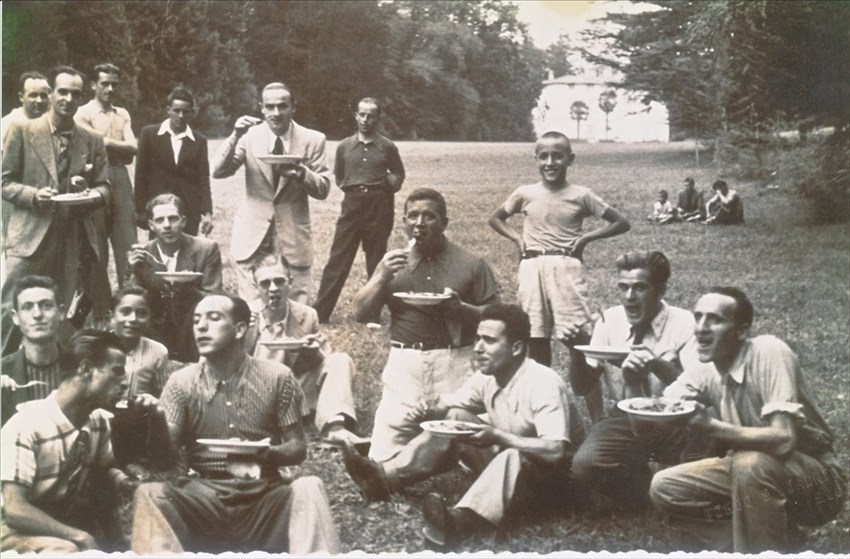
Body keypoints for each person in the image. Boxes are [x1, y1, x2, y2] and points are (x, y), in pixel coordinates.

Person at [341, 304, 585, 549]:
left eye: (489, 341)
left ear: (517, 348)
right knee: (456, 417)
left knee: (512, 454)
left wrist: (498, 436)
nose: (478, 348)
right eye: (477, 338)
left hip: (558, 485)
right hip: (513, 471)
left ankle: (459, 522)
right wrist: (430, 409)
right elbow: (450, 405)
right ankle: (383, 479)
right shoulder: (489, 377)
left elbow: (556, 451)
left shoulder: (543, 383)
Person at [129, 294, 341, 554]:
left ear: (240, 329)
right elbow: (165, 460)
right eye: (196, 320)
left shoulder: (277, 376)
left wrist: (266, 454)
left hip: (265, 496)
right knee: (150, 493)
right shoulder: (180, 383)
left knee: (309, 486)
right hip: (204, 498)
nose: (201, 327)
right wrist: (154, 422)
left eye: (213, 318)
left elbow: (297, 448)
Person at [649, 287, 847, 553]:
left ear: (741, 331)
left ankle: (760, 548)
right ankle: (771, 541)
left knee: (749, 464)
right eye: (698, 317)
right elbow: (657, 416)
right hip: (753, 473)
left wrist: (711, 427)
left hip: (818, 481)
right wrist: (634, 380)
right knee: (666, 486)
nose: (701, 328)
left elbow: (784, 440)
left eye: (715, 320)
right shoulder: (705, 366)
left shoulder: (769, 351)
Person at [352, 188, 500, 463]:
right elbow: (360, 313)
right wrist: (381, 276)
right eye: (412, 216)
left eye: (429, 216)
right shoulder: (392, 265)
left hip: (455, 364)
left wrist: (462, 310)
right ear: (404, 222)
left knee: (480, 449)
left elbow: (497, 319)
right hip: (405, 366)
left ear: (444, 222)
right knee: (380, 460)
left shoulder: (471, 263)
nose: (419, 223)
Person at [566, 251, 698, 507]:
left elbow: (696, 388)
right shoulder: (609, 321)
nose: (629, 297)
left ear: (660, 290)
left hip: (675, 418)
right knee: (584, 466)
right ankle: (647, 491)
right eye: (623, 287)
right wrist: (575, 353)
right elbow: (582, 386)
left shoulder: (685, 323)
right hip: (625, 416)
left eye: (640, 287)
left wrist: (656, 364)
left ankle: (668, 483)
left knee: (702, 455)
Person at [489, 131, 630, 367]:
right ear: (535, 159)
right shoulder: (525, 193)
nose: (550, 162)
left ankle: (588, 384)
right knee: (535, 337)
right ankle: (543, 388)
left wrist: (585, 239)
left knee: (577, 336)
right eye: (543, 156)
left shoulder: (581, 195)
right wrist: (517, 239)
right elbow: (495, 218)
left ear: (570, 159)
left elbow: (621, 222)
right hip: (532, 266)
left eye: (557, 156)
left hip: (565, 266)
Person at [1, 329, 148, 553]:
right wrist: (79, 536)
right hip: (10, 529)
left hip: (56, 526)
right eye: (117, 371)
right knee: (66, 549)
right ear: (86, 369)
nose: (125, 382)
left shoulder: (98, 422)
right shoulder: (25, 425)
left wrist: (125, 483)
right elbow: (14, 510)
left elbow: (105, 469)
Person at [2, 65, 112, 354]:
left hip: (71, 237)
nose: (68, 99)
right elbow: (4, 182)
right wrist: (33, 195)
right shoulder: (22, 130)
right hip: (29, 236)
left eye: (76, 94)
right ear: (51, 93)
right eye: (62, 91)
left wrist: (89, 195)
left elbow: (104, 187)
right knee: (12, 307)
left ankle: (54, 369)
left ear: (82, 97)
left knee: (60, 310)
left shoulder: (92, 138)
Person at [212, 82, 331, 304]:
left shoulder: (313, 139)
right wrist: (235, 135)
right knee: (251, 304)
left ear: (293, 107)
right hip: (252, 233)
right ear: (262, 108)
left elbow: (323, 188)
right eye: (270, 107)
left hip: (292, 232)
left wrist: (301, 173)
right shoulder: (248, 136)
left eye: (282, 106)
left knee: (296, 301)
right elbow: (218, 171)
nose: (276, 113)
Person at [244, 254, 367, 447]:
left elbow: (323, 364)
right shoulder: (244, 314)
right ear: (256, 288)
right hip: (256, 391)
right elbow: (230, 365)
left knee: (340, 360)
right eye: (265, 284)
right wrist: (242, 333)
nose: (273, 288)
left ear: (290, 283)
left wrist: (313, 351)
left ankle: (334, 428)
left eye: (279, 281)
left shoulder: (306, 314)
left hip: (294, 390)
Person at [313, 97, 406, 324]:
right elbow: (340, 176)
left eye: (371, 116)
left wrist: (387, 183)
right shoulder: (345, 146)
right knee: (338, 259)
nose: (365, 120)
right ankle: (320, 314)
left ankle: (372, 315)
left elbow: (398, 174)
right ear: (355, 116)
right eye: (362, 115)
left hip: (379, 204)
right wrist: (356, 189)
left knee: (376, 259)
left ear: (378, 118)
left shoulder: (387, 147)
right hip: (352, 204)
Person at [126, 193, 222, 363]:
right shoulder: (143, 254)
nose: (167, 226)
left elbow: (214, 298)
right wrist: (132, 270)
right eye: (160, 220)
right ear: (151, 225)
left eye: (173, 219)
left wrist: (188, 290)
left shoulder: (206, 249)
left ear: (183, 221)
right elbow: (132, 301)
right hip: (155, 333)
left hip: (194, 329)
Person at [75, 63, 138, 286]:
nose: (110, 89)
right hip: (94, 177)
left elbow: (133, 147)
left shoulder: (122, 114)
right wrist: (116, 145)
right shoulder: (82, 113)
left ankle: (129, 294)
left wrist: (105, 141)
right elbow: (91, 147)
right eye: (105, 84)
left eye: (114, 84)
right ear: (93, 85)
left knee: (127, 239)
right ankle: (100, 301)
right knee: (97, 240)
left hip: (119, 175)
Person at [135, 86, 212, 237]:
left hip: (188, 209)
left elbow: (203, 178)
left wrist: (207, 212)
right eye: (176, 110)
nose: (180, 116)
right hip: (159, 209)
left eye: (185, 111)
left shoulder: (199, 141)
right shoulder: (149, 134)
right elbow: (141, 175)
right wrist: (140, 210)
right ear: (168, 110)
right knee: (159, 249)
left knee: (188, 249)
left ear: (191, 112)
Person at [1, 276, 66, 426]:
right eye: (27, 307)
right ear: (16, 318)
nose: (37, 314)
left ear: (61, 312)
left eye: (46, 306)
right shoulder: (3, 371)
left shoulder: (81, 368)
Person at [1, 71, 51, 141]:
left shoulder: (52, 122)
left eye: (43, 96)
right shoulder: (6, 125)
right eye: (33, 95)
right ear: (21, 97)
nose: (39, 100)